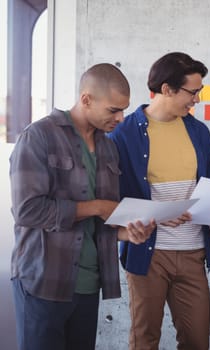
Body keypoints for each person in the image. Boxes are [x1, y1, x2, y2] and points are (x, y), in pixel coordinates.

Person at [9, 63, 155, 350]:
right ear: (86, 99)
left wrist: (127, 234)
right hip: (43, 281)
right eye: (113, 110)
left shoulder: (108, 146)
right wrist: (98, 206)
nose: (121, 118)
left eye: (123, 109)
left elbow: (98, 224)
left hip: (89, 284)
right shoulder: (38, 136)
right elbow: (27, 211)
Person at [108, 52, 210, 350]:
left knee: (197, 341)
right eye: (193, 92)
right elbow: (110, 200)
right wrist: (157, 215)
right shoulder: (123, 133)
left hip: (193, 251)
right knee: (145, 339)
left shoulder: (199, 131)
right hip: (148, 254)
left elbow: (208, 188)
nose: (197, 99)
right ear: (168, 89)